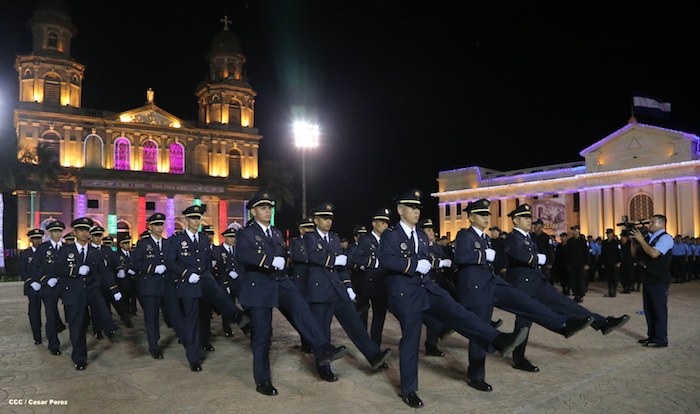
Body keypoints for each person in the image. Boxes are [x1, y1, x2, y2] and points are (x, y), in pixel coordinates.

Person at [378, 189, 529, 408]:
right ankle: (409, 390)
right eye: (411, 207)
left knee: (460, 313)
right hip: (405, 293)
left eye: (418, 207)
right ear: (400, 210)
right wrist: (412, 265)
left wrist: (434, 263)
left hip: (426, 286)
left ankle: (498, 340)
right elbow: (385, 260)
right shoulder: (391, 235)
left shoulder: (421, 235)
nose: (416, 211)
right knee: (411, 340)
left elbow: (426, 259)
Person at [454, 199, 596, 391]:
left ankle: (562, 324)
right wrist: (482, 256)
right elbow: (461, 257)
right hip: (476, 289)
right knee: (480, 331)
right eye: (481, 214)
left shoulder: (485, 238)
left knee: (524, 301)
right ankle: (476, 376)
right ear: (471, 217)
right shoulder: (465, 235)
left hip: (491, 283)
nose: (486, 218)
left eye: (487, 214)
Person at [234, 191, 350, 395]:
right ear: (253, 211)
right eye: (263, 208)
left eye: (269, 208)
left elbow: (284, 255)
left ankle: (323, 348)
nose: (268, 211)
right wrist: (268, 261)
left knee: (301, 308)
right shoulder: (246, 233)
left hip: (280, 281)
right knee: (262, 334)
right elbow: (242, 254)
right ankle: (262, 380)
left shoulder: (277, 233)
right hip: (259, 285)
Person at [504, 204, 630, 372]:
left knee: (566, 304)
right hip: (524, 285)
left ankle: (602, 323)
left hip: (538, 282)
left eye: (529, 217)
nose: (529, 221)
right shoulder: (513, 237)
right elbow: (518, 254)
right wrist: (537, 259)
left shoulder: (528, 237)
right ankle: (519, 358)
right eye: (525, 218)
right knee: (524, 321)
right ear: (515, 220)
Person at [303, 202, 392, 382]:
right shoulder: (309, 237)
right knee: (323, 330)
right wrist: (333, 260)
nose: (328, 222)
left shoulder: (334, 238)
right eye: (324, 218)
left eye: (330, 218)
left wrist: (348, 286)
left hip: (338, 289)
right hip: (320, 291)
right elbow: (313, 256)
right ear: (316, 220)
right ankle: (324, 367)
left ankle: (374, 355)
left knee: (355, 324)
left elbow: (342, 268)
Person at [165, 205, 246, 372]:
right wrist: (186, 274)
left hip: (205, 279)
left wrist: (210, 277)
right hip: (188, 283)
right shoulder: (177, 239)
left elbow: (207, 261)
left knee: (221, 299)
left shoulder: (203, 238)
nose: (196, 221)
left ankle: (240, 319)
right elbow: (170, 262)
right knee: (193, 320)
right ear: (187, 220)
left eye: (198, 218)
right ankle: (193, 358)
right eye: (193, 218)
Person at [53, 217, 122, 370]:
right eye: (81, 230)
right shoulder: (66, 250)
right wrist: (75, 270)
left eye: (87, 230)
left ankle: (111, 328)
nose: (85, 233)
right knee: (77, 326)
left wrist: (114, 289)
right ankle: (79, 358)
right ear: (75, 232)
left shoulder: (95, 252)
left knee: (102, 308)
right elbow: (57, 268)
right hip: (73, 292)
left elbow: (105, 272)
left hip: (91, 290)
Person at [349, 207, 392, 347]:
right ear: (374, 223)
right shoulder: (366, 239)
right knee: (364, 314)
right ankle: (365, 344)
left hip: (384, 283)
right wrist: (374, 263)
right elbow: (356, 258)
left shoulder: (389, 240)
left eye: (386, 223)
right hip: (369, 283)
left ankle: (375, 345)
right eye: (382, 222)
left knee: (379, 317)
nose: (385, 225)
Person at [630, 215, 674, 348]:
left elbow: (654, 253)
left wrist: (641, 240)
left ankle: (661, 339)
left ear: (662, 224)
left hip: (659, 279)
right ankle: (652, 336)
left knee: (659, 309)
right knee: (649, 309)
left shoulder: (666, 238)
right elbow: (634, 254)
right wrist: (634, 241)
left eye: (653, 222)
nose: (650, 225)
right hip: (648, 277)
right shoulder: (649, 238)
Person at [131, 213, 171, 359]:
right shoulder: (143, 244)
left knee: (172, 314)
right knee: (151, 317)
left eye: (161, 224)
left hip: (167, 286)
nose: (160, 228)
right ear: (150, 226)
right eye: (156, 225)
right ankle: (153, 346)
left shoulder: (167, 243)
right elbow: (135, 264)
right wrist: (153, 268)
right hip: (150, 286)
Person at [27, 221, 68, 355]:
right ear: (50, 233)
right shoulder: (43, 248)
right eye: (55, 231)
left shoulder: (67, 248)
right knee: (51, 316)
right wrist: (45, 279)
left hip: (65, 286)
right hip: (49, 287)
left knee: (73, 313)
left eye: (60, 231)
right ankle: (53, 345)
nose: (58, 234)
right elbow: (34, 267)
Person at [20, 228, 47, 346]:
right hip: (33, 287)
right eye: (35, 239)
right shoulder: (25, 254)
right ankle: (37, 335)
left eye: (39, 238)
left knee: (51, 310)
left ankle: (55, 329)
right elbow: (22, 270)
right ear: (31, 240)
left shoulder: (46, 252)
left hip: (45, 286)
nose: (37, 241)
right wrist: (31, 282)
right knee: (34, 312)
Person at [565, 225, 589, 303]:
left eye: (575, 230)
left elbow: (587, 253)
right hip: (572, 264)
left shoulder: (583, 241)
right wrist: (568, 263)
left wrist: (586, 263)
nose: (574, 232)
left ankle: (581, 295)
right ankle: (575, 295)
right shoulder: (570, 241)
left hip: (581, 264)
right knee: (573, 280)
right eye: (573, 230)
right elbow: (568, 253)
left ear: (579, 230)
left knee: (581, 280)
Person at [601, 229, 622, 297]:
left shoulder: (616, 242)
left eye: (609, 233)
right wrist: (602, 262)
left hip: (615, 263)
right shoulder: (604, 242)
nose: (608, 235)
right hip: (607, 263)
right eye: (607, 233)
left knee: (615, 278)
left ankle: (614, 291)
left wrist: (619, 262)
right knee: (608, 278)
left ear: (612, 234)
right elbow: (603, 253)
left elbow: (619, 252)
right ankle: (610, 291)